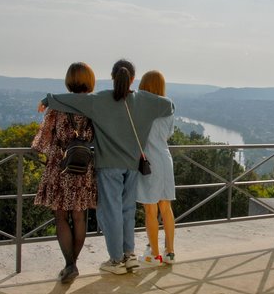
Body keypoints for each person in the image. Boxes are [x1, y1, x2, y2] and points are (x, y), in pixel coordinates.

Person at [38, 59, 174, 274]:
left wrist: (48, 99)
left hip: (109, 165)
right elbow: (169, 105)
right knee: (128, 211)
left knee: (111, 212)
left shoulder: (101, 99)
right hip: (133, 165)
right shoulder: (143, 100)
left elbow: (73, 100)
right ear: (132, 79)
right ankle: (129, 255)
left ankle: (116, 260)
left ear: (112, 77)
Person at [31, 62, 97, 283]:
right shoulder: (95, 106)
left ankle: (69, 265)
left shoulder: (57, 107)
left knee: (60, 216)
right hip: (84, 167)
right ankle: (72, 265)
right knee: (79, 216)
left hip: (60, 166)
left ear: (69, 80)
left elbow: (42, 141)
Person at [135, 70, 176, 266]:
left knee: (150, 210)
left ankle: (155, 255)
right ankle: (170, 253)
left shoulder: (140, 108)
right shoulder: (168, 107)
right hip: (165, 159)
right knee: (166, 208)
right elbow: (168, 134)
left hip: (148, 162)